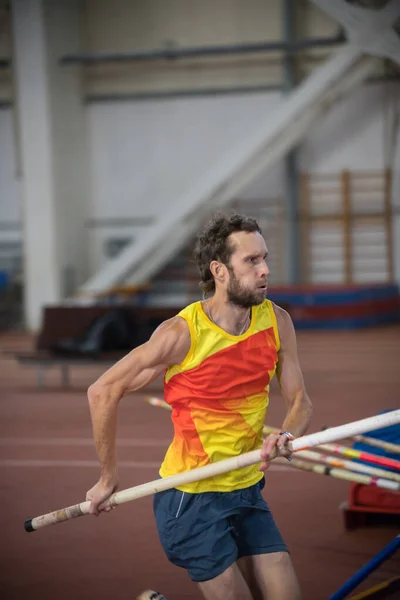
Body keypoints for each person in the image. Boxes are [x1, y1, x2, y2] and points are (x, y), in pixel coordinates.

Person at [86, 213, 313, 600]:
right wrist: (108, 476)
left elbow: (300, 402)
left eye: (265, 258)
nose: (266, 270)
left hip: (246, 488)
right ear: (219, 271)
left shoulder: (276, 321)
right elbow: (102, 391)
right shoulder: (182, 333)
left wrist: (286, 432)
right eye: (252, 261)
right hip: (190, 496)